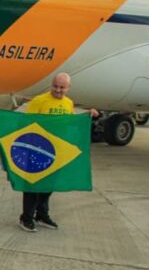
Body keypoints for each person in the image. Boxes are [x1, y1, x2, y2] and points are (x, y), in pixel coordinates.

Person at [18, 72, 98, 232]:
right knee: (33, 186)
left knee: (48, 186)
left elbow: (70, 122)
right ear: (51, 85)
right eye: (55, 86)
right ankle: (26, 217)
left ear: (68, 88)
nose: (58, 90)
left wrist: (87, 115)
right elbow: (26, 123)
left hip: (56, 152)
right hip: (37, 150)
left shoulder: (68, 103)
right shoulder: (39, 101)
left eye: (62, 87)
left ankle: (42, 214)